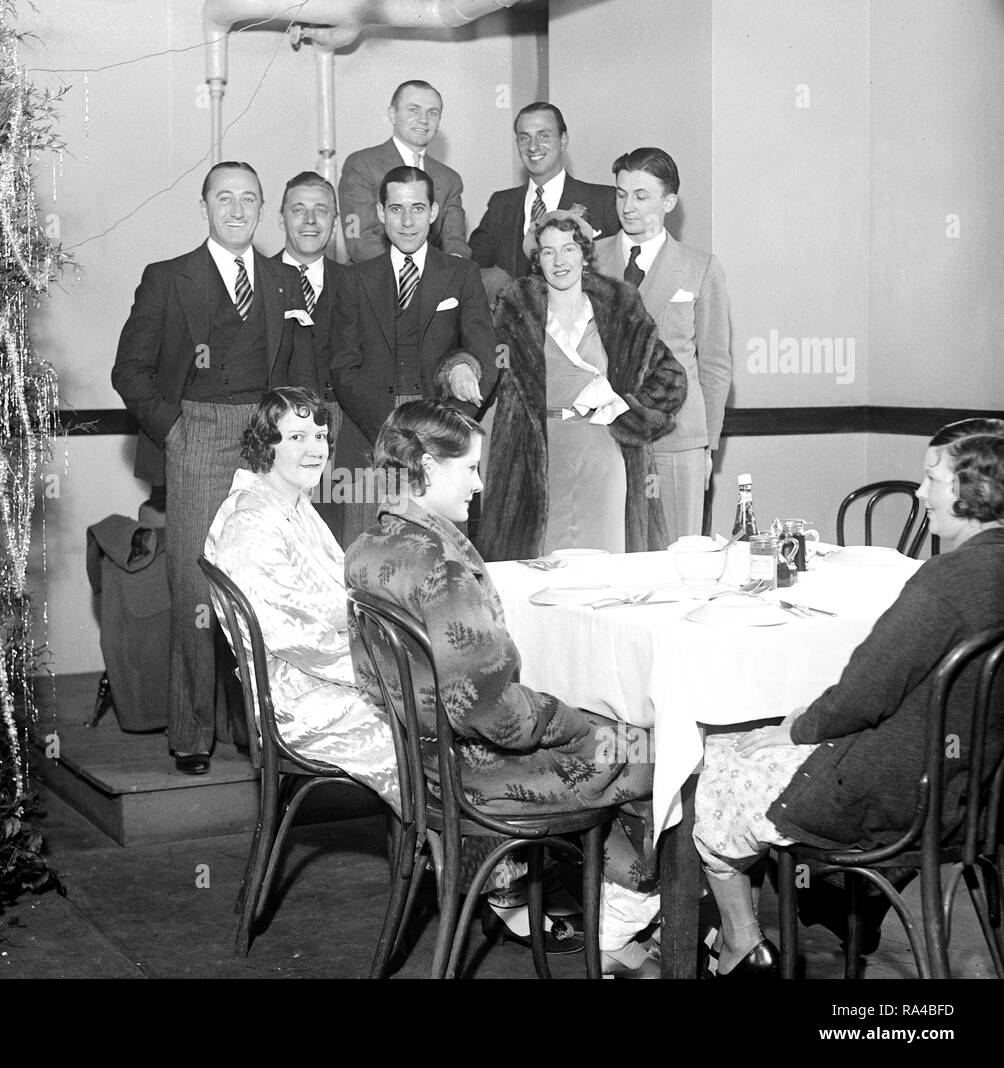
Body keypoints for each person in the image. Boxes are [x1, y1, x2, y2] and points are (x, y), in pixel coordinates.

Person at [346, 400, 663, 978]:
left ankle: (611, 909)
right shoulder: (441, 566)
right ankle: (624, 921)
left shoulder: (367, 548)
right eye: (468, 469)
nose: (480, 483)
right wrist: (577, 722)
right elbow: (498, 717)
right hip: (475, 775)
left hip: (422, 766)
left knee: (614, 735)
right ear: (422, 467)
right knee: (651, 750)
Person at [693, 421, 1004, 977]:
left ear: (971, 489)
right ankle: (839, 896)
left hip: (900, 797)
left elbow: (863, 696)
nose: (919, 492)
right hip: (973, 795)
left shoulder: (944, 583)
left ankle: (741, 940)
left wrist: (793, 728)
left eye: (932, 478)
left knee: (721, 755)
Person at [112, 161, 316, 776]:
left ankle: (269, 730)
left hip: (269, 441)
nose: (236, 210)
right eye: (223, 198)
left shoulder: (286, 281)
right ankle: (193, 733)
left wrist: (299, 439)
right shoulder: (169, 278)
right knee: (198, 589)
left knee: (272, 584)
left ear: (262, 209)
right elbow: (130, 371)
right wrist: (175, 429)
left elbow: (303, 368)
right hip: (197, 434)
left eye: (248, 199)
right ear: (204, 205)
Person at [203, 387, 400, 810]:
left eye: (320, 435)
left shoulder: (293, 505)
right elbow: (292, 636)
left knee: (442, 710)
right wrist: (385, 670)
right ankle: (463, 854)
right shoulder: (253, 521)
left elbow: (339, 599)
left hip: (318, 679)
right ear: (265, 444)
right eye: (296, 437)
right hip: (294, 701)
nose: (315, 449)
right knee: (428, 723)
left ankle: (457, 853)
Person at [476, 211, 687, 560]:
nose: (559, 261)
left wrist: (622, 404)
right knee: (542, 575)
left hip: (602, 455)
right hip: (537, 460)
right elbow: (485, 370)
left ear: (585, 253)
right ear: (536, 260)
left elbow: (671, 379)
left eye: (569, 248)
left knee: (605, 573)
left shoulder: (620, 309)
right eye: (548, 251)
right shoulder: (515, 313)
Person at [330, 165, 496, 548]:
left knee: (442, 564)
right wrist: (394, 431)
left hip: (441, 441)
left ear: (434, 213)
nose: (407, 221)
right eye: (397, 209)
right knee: (370, 567)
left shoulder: (462, 275)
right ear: (380, 212)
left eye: (418, 209)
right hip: (371, 439)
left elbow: (484, 360)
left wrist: (442, 432)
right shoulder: (354, 280)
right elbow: (343, 366)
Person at [596, 148, 730, 539]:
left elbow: (716, 366)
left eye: (642, 196)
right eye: (621, 194)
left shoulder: (699, 267)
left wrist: (707, 446)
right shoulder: (590, 261)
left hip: (677, 437)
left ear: (668, 202)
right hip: (605, 436)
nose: (628, 207)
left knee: (677, 560)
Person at [469, 102, 620, 303]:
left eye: (544, 135)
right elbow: (471, 268)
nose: (533, 146)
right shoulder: (500, 204)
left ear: (563, 140)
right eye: (524, 138)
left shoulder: (603, 200)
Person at [271, 172, 349, 537]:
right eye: (298, 210)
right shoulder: (256, 280)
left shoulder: (357, 283)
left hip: (344, 444)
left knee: (335, 545)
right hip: (276, 440)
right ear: (281, 217)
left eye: (321, 210)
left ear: (335, 221)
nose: (310, 221)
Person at [338, 80, 469, 263]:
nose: (423, 119)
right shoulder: (362, 165)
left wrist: (451, 271)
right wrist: (407, 275)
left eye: (432, 112)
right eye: (413, 110)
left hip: (434, 279)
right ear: (392, 115)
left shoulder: (449, 179)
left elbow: (455, 242)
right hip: (376, 277)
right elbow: (361, 243)